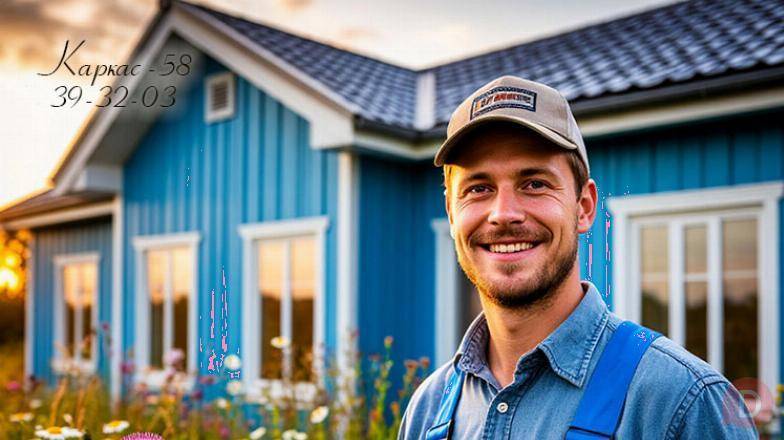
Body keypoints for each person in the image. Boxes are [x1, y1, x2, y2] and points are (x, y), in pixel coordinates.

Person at [398, 76, 758, 439]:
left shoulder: (684, 402)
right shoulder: (427, 410)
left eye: (534, 183)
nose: (503, 214)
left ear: (583, 207)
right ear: (451, 214)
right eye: (478, 188)